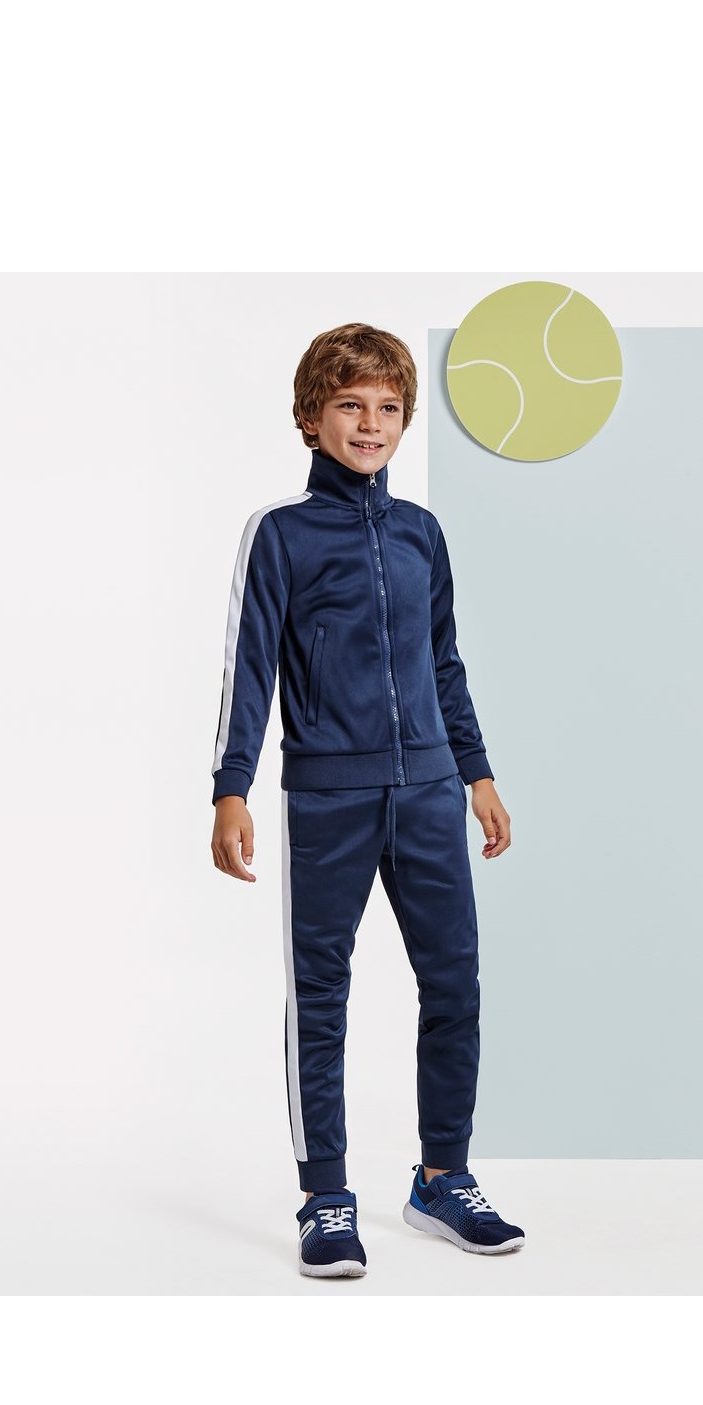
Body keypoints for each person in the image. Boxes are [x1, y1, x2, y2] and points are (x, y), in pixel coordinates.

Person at [209, 323, 527, 1279]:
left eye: (388, 407)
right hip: (329, 799)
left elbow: (444, 662)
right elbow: (249, 666)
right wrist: (231, 787)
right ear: (311, 418)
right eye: (350, 405)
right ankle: (326, 1196)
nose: (371, 423)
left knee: (455, 985)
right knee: (321, 996)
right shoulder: (280, 534)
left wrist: (476, 772)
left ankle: (442, 1179)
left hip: (429, 793)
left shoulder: (423, 532)